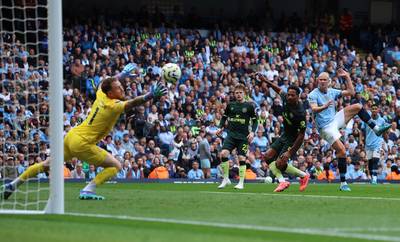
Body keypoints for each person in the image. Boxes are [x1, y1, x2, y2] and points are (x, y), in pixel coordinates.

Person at [1, 63, 168, 200]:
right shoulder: (113, 106)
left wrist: (122, 75)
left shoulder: (101, 95)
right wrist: (150, 95)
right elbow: (132, 103)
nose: (122, 89)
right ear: (111, 93)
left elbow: (107, 82)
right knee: (116, 165)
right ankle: (88, 190)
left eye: (121, 86)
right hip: (81, 143)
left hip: (71, 136)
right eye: (119, 88)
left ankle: (13, 184)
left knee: (46, 164)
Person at [307, 69, 391, 192]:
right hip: (325, 127)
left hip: (334, 120)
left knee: (358, 106)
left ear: (329, 81)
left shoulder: (332, 91)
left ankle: (376, 128)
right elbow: (314, 109)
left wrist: (347, 77)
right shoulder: (313, 94)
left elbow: (351, 92)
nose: (322, 81)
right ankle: (343, 183)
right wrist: (324, 106)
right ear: (317, 81)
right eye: (320, 79)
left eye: (325, 79)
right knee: (342, 151)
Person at [257, 74, 310, 192]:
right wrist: (266, 81)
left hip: (294, 139)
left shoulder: (300, 113)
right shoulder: (286, 98)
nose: (289, 97)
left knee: (279, 163)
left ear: (298, 96)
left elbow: (301, 136)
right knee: (267, 157)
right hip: (285, 134)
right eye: (289, 94)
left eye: (292, 95)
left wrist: (290, 152)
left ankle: (303, 175)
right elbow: (278, 89)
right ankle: (283, 181)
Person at [216, 84, 258, 190]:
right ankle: (225, 179)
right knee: (223, 154)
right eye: (236, 93)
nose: (238, 94)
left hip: (243, 137)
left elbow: (255, 121)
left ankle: (241, 183)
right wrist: (220, 127)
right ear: (234, 94)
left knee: (241, 158)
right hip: (231, 135)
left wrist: (252, 132)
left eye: (240, 93)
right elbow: (224, 117)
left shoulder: (249, 106)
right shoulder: (231, 105)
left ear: (244, 94)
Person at [362, 104, 386, 184]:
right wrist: (361, 141)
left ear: (378, 110)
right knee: (370, 162)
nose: (374, 110)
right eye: (373, 109)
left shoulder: (382, 120)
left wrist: (385, 141)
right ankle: (372, 177)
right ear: (371, 110)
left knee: (375, 160)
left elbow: (384, 131)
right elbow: (362, 131)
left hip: (377, 143)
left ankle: (375, 178)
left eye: (376, 108)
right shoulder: (366, 119)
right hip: (368, 143)